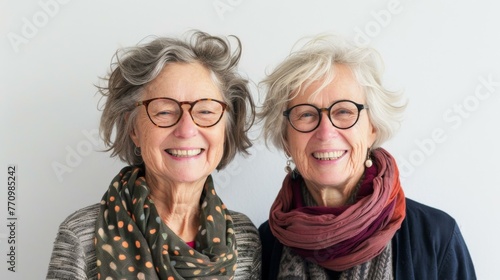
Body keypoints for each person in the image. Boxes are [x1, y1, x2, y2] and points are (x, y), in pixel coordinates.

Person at [257, 34, 476, 280]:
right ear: (286, 139)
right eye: (306, 114)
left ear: (373, 128)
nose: (326, 132)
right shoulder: (265, 244)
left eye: (343, 111)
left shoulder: (436, 236)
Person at [46, 31, 261, 280]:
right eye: (165, 112)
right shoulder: (82, 235)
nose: (187, 130)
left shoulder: (243, 238)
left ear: (226, 128)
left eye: (205, 111)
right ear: (134, 129)